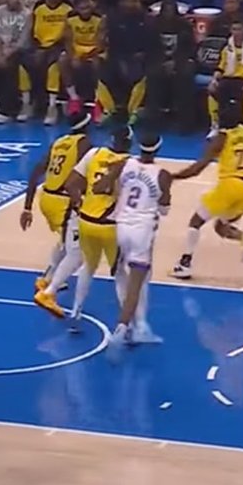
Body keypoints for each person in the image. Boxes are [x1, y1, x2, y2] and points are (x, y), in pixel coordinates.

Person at [170, 96, 243, 279]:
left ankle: (184, 264)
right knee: (221, 227)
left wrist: (174, 177)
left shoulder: (221, 138)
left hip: (231, 186)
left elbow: (198, 168)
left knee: (196, 222)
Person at [48, 127, 132, 329]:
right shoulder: (130, 164)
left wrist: (79, 204)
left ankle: (75, 313)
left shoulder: (94, 153)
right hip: (110, 225)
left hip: (86, 221)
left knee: (87, 267)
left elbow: (70, 184)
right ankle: (127, 325)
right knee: (119, 273)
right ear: (130, 143)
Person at [93, 131, 171, 345]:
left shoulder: (124, 164)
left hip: (121, 227)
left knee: (125, 274)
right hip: (142, 232)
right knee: (138, 283)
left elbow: (98, 187)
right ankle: (126, 327)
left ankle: (137, 324)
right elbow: (164, 210)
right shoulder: (163, 175)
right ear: (158, 149)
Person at [23, 110, 92, 317]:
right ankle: (48, 293)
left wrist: (27, 207)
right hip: (64, 201)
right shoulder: (85, 144)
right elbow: (81, 177)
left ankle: (47, 279)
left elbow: (36, 171)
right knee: (78, 251)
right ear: (87, 126)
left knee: (65, 240)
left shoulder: (59, 142)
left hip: (47, 197)